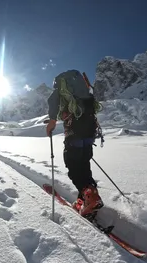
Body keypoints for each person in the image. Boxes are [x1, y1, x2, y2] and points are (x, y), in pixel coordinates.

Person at [45, 69, 104, 217]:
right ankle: (87, 197)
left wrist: (52, 121)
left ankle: (88, 197)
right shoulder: (82, 89)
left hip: (75, 131)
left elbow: (53, 100)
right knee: (84, 164)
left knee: (73, 164)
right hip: (89, 130)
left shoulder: (61, 84)